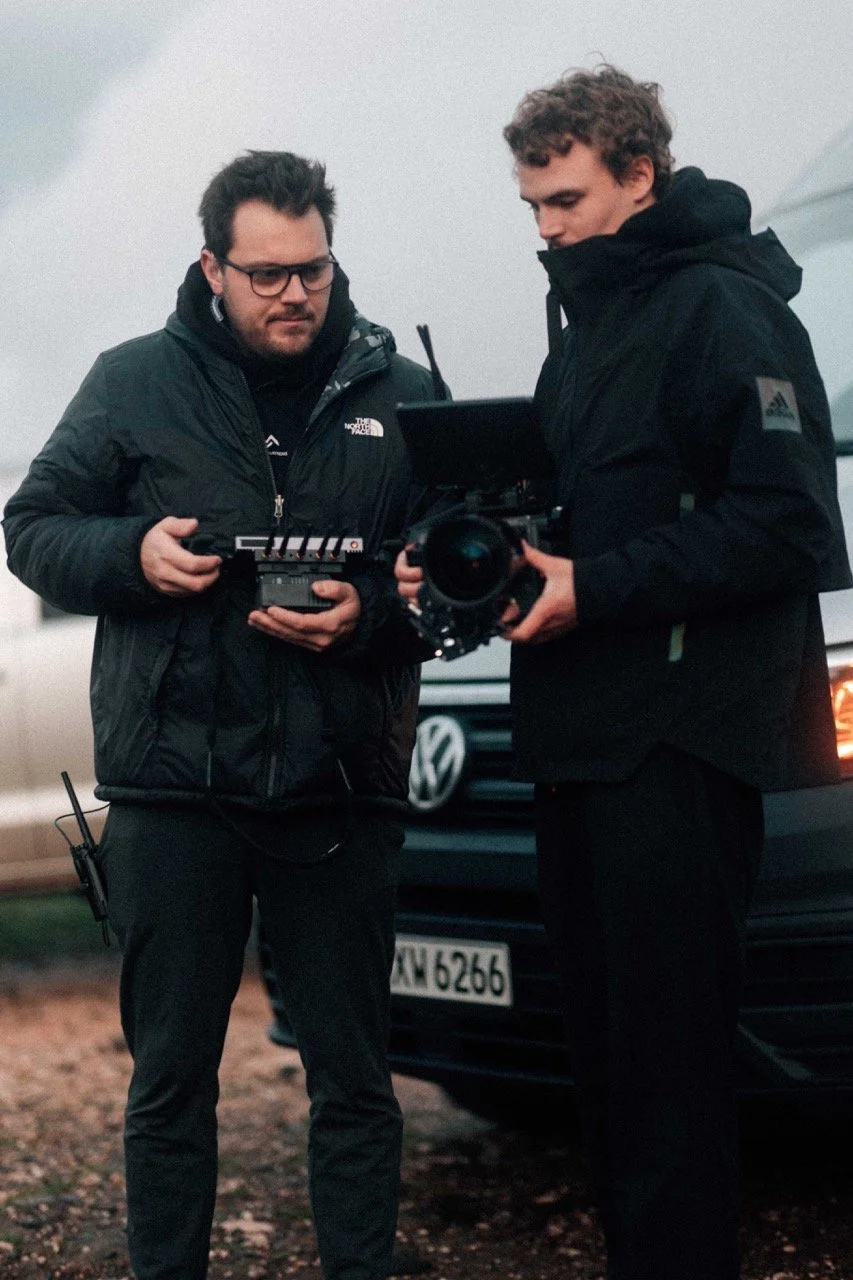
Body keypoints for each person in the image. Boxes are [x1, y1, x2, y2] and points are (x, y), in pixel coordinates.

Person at [397, 67, 851, 1279]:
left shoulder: (725, 307)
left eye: (564, 199)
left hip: (678, 747)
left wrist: (593, 588)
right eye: (531, 204)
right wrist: (479, 567)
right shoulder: (588, 326)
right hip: (576, 742)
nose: (544, 227)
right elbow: (589, 523)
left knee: (667, 1075)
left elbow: (792, 525)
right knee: (604, 1066)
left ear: (638, 174)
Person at [4, 150, 440, 1280]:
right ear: (212, 268)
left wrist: (370, 615)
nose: (295, 294)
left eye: (313, 270)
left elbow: (455, 577)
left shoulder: (401, 391)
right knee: (168, 1082)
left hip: (340, 785)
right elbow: (32, 527)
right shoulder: (132, 381)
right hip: (173, 787)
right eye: (266, 275)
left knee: (355, 1080)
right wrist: (131, 554)